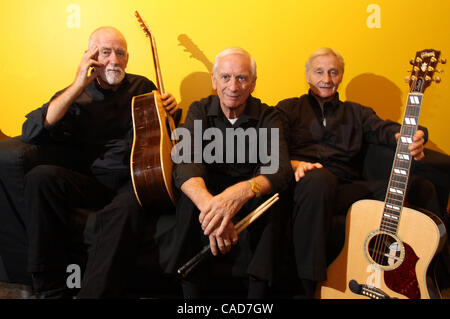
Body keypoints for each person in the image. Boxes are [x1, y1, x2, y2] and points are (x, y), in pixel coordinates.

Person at [21, 26, 179, 298]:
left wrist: (171, 113)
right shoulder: (75, 93)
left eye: (120, 53)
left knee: (126, 209)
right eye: (105, 52)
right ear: (89, 57)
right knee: (40, 177)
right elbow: (32, 131)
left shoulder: (143, 88)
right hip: (90, 181)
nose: (114, 60)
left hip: (134, 181)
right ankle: (49, 288)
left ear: (127, 58)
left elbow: (165, 137)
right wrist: (78, 84)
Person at [276, 47, 441, 298]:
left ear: (341, 76)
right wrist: (295, 164)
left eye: (333, 72)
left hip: (345, 189)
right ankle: (306, 286)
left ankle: (430, 275)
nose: (326, 79)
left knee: (421, 185)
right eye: (319, 72)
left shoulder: (357, 113)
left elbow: (385, 130)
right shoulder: (288, 108)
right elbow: (272, 144)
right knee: (320, 181)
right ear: (308, 76)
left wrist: (413, 136)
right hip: (305, 187)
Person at [167, 47, 292, 298]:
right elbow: (186, 160)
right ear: (214, 81)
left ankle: (257, 297)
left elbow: (279, 168)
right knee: (189, 200)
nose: (233, 86)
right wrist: (212, 208)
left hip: (250, 197)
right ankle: (191, 298)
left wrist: (240, 192)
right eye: (225, 77)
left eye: (242, 78)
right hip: (208, 198)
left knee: (271, 204)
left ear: (253, 84)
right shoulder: (199, 110)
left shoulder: (268, 115)